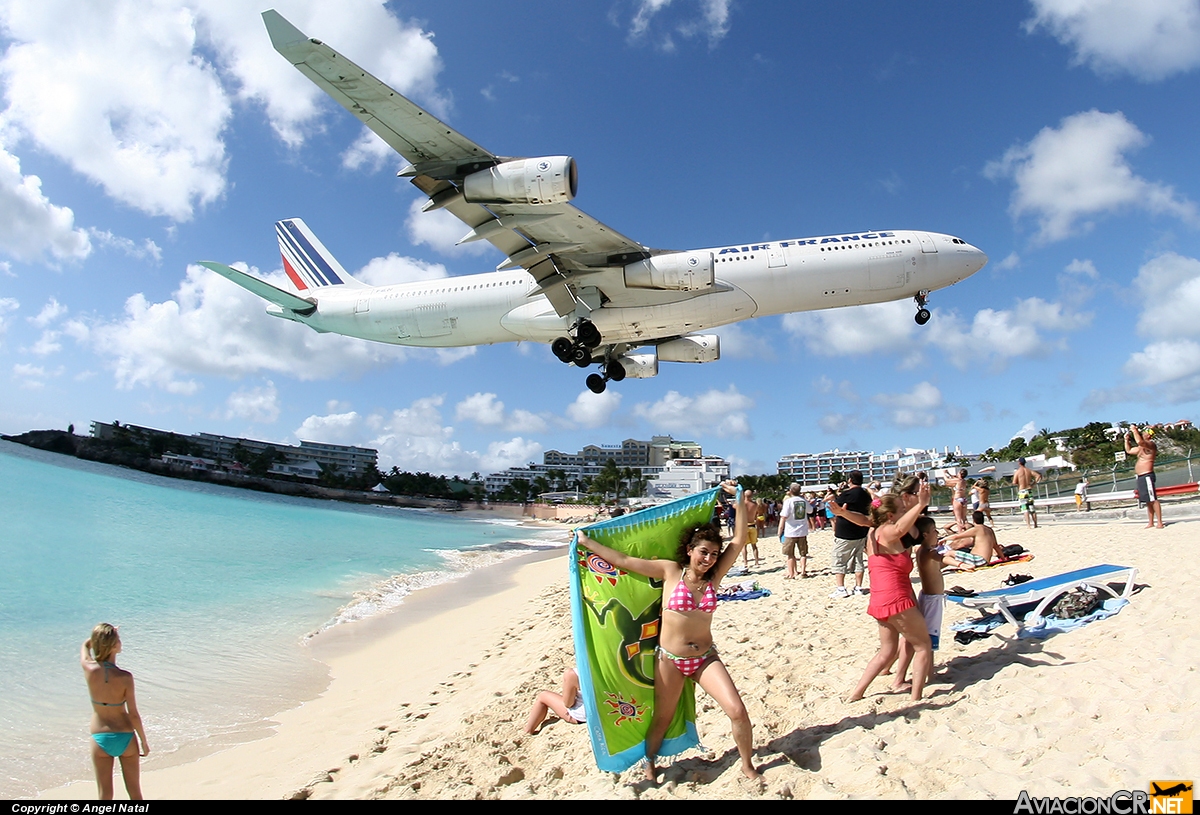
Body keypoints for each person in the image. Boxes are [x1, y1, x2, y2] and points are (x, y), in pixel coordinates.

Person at [576, 482, 760, 782]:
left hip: (705, 658)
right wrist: (587, 542)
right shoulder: (670, 572)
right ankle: (649, 763)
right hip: (670, 660)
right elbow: (624, 561)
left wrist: (738, 499)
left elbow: (738, 540)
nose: (709, 559)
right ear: (689, 551)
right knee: (661, 718)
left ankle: (747, 765)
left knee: (737, 711)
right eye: (704, 552)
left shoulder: (714, 578)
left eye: (714, 554)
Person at [847, 482, 934, 702]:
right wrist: (921, 504)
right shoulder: (888, 531)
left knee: (886, 651)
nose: (905, 511)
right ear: (889, 516)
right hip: (897, 598)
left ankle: (856, 693)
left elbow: (872, 521)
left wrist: (842, 512)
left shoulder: (873, 532)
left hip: (879, 599)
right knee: (923, 645)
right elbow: (899, 529)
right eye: (901, 510)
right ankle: (916, 698)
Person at [82, 624, 148, 800]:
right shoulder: (125, 677)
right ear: (113, 646)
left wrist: (95, 640)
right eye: (117, 639)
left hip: (100, 738)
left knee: (105, 795)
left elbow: (85, 648)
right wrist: (143, 740)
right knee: (135, 792)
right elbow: (133, 714)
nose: (120, 642)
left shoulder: (88, 669)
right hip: (125, 737)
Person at [891, 515, 945, 692]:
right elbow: (941, 560)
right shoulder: (925, 551)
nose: (938, 533)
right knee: (923, 641)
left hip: (918, 596)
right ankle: (923, 677)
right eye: (935, 531)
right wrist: (960, 560)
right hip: (923, 598)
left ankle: (925, 674)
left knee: (913, 639)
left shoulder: (919, 550)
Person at [825, 471, 871, 598]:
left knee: (839, 558)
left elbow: (837, 507)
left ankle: (841, 588)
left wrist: (840, 490)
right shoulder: (865, 494)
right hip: (861, 530)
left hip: (846, 531)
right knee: (858, 559)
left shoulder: (848, 494)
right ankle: (858, 587)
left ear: (850, 480)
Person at [526, 667, 587, 734]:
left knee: (543, 696)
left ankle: (528, 731)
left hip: (585, 716)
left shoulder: (574, 673)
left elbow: (568, 704)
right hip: (600, 711)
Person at [1125, 426, 1164, 529]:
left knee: (1153, 499)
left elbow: (1140, 442)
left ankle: (1159, 522)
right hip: (1141, 476)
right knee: (1147, 500)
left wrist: (1134, 430)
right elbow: (1129, 451)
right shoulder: (1141, 448)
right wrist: (1126, 440)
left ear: (1148, 435)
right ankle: (1151, 522)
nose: (1143, 433)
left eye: (1144, 432)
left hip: (1147, 475)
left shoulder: (1151, 445)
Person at [941, 510, 1006, 570]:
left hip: (978, 560)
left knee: (949, 553)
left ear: (974, 520)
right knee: (951, 556)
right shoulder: (990, 530)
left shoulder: (976, 529)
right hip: (985, 561)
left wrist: (944, 539)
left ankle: (936, 569)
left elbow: (956, 536)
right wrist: (1003, 559)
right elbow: (996, 546)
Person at [778, 483, 810, 579]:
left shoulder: (788, 501)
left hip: (790, 531)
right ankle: (803, 572)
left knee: (790, 554)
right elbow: (810, 510)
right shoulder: (803, 501)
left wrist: (780, 530)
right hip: (802, 530)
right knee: (803, 553)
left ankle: (791, 573)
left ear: (790, 491)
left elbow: (783, 517)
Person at [1012, 457, 1041, 529]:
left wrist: (1020, 482)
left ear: (1019, 463)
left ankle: (1028, 525)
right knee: (1032, 508)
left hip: (1022, 490)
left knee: (1025, 509)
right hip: (1029, 489)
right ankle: (1035, 524)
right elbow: (1038, 476)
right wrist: (1033, 484)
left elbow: (1014, 482)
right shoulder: (1028, 471)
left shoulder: (1018, 472)